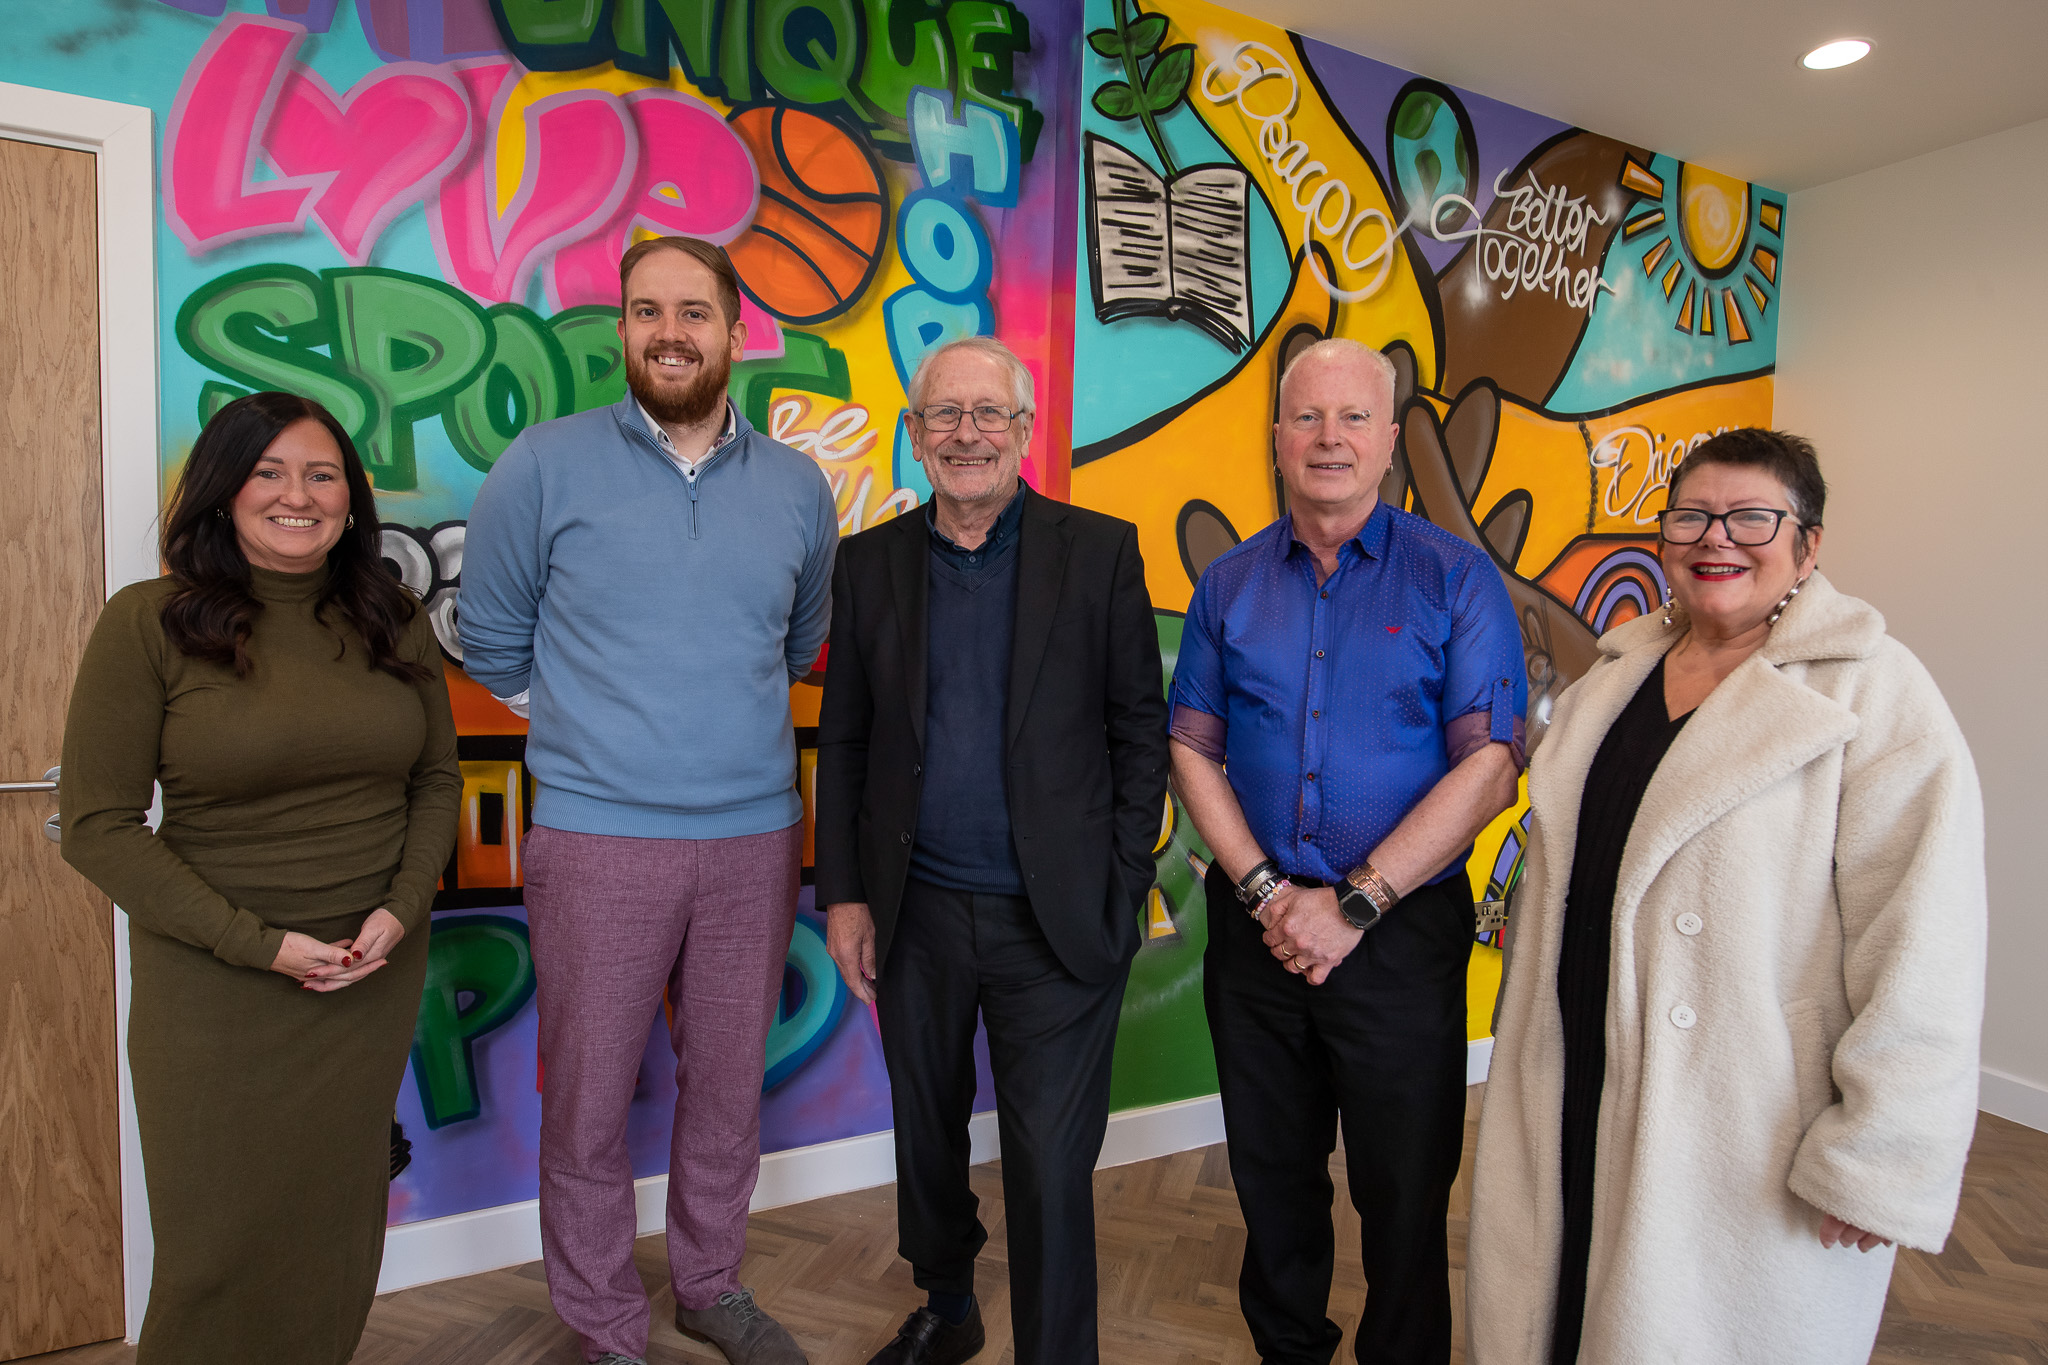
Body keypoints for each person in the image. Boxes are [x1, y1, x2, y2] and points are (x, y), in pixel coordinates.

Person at [1466, 429, 1986, 1365]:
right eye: (1693, 516)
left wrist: (1880, 1151)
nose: (1717, 538)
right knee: (1559, 1308)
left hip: (1739, 1110)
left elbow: (1924, 942)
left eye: (1752, 518)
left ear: (1808, 545)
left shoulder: (1875, 695)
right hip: (1572, 1070)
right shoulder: (1612, 680)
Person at [459, 235, 835, 1365]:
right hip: (596, 840)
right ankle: (605, 1325)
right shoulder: (543, 464)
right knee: (587, 1100)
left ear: (735, 332)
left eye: (693, 311)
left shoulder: (797, 486)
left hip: (755, 841)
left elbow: (800, 645)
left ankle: (710, 1285)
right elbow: (491, 642)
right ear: (621, 328)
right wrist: (600, 733)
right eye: (645, 311)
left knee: (726, 1089)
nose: (669, 332)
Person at [58, 391, 461, 1364]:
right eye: (268, 472)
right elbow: (98, 826)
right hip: (217, 987)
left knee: (334, 1230)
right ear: (222, 491)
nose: (298, 494)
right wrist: (260, 944)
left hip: (366, 975)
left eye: (322, 474)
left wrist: (401, 911)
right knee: (217, 1248)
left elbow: (435, 779)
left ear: (351, 497)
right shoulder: (148, 622)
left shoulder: (391, 617)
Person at [1168, 338, 1526, 1365]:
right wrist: (1265, 892)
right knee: (1271, 1176)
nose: (1329, 438)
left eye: (1354, 417)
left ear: (1390, 439)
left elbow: (1490, 766)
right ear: (1277, 437)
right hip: (1258, 934)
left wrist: (1354, 903)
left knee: (1403, 1190)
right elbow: (1188, 746)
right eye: (1308, 417)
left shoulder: (1455, 578)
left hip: (1399, 939)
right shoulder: (1229, 584)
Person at [814, 335, 1168, 1365]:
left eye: (988, 414)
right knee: (925, 1136)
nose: (966, 434)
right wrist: (846, 896)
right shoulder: (868, 563)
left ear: (1024, 430)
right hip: (913, 912)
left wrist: (1119, 882)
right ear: (915, 433)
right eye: (945, 414)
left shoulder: (1097, 553)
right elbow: (845, 740)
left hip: (1055, 920)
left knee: (1049, 1168)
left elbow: (1138, 732)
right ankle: (949, 1306)